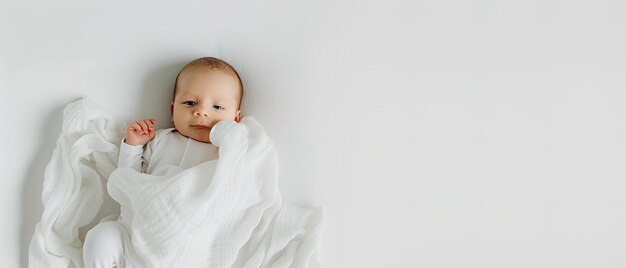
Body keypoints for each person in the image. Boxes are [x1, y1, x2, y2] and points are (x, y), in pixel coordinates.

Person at [82, 56, 244, 268]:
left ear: (236, 119)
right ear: (172, 109)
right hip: (136, 235)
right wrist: (132, 145)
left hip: (185, 247)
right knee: (101, 236)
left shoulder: (227, 154)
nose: (201, 111)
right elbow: (129, 181)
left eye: (217, 107)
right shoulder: (161, 140)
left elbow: (232, 197)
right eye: (190, 103)